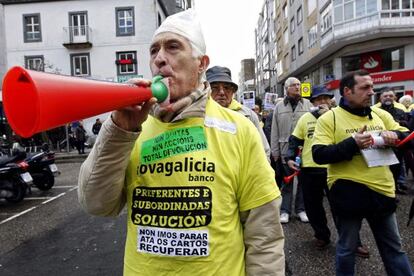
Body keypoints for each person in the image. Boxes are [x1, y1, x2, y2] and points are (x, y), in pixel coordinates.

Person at [78, 9, 284, 276]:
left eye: (173, 47)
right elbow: (96, 204)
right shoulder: (130, 128)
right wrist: (118, 131)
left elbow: (264, 233)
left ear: (201, 64)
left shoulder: (239, 129)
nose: (160, 59)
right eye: (153, 51)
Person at [312, 70, 413, 276]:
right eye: (365, 88)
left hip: (382, 190)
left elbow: (408, 136)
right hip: (348, 191)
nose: (372, 92)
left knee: (394, 248)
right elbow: (319, 154)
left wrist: (395, 134)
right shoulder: (329, 119)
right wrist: (352, 143)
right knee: (347, 249)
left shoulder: (381, 115)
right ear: (347, 91)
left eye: (372, 87)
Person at [286, 85, 369, 257]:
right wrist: (290, 158)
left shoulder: (339, 116)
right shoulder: (305, 118)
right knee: (313, 207)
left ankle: (353, 242)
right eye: (318, 99)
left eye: (325, 98)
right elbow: (294, 140)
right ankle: (322, 235)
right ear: (313, 102)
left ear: (331, 100)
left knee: (342, 208)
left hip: (335, 168)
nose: (322, 102)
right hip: (309, 169)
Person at [270, 77, 312, 223]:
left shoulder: (307, 104)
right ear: (287, 88)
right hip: (284, 150)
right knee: (286, 182)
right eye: (294, 85)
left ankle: (301, 209)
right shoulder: (279, 107)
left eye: (299, 85)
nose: (297, 87)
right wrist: (274, 152)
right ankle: (285, 211)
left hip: (304, 150)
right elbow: (274, 130)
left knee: (302, 182)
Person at [206, 66, 270, 161]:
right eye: (214, 88)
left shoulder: (249, 116)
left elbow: (263, 151)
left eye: (226, 88)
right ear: (205, 90)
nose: (222, 92)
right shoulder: (197, 115)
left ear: (232, 91)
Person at [378, 87, 409, 194]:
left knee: (396, 169)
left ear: (395, 97)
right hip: (380, 147)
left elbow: (407, 127)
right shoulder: (375, 111)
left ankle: (394, 190)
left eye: (390, 96)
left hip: (397, 147)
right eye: (385, 96)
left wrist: (399, 123)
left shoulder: (400, 111)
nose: (388, 98)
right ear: (380, 98)